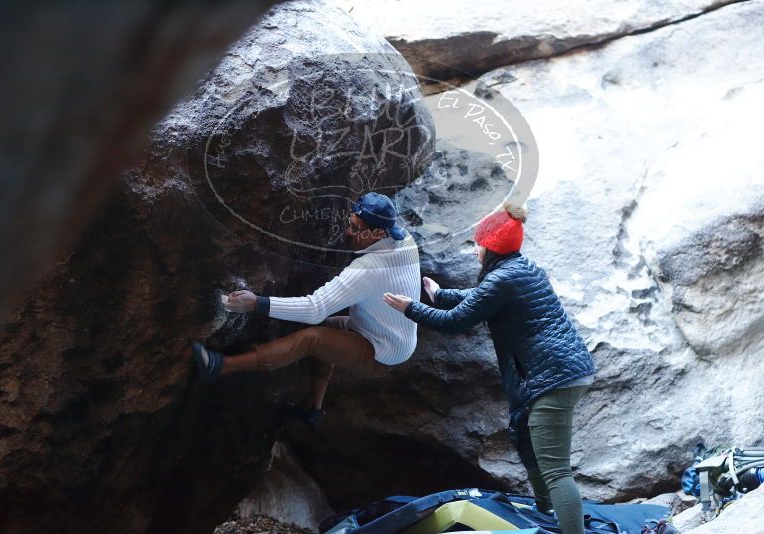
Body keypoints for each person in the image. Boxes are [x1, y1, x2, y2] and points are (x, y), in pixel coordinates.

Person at [383, 203, 595, 534]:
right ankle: (547, 518)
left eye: (477, 243)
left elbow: (455, 322)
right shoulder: (520, 269)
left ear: (490, 245)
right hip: (559, 373)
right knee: (530, 447)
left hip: (554, 378)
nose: (474, 250)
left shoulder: (504, 279)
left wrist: (411, 308)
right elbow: (478, 296)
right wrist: (440, 294)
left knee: (555, 471)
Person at [192, 192, 421, 425]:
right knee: (325, 332)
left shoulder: (368, 269)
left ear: (379, 233)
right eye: (349, 223)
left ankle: (219, 366)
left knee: (312, 338)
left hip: (384, 352)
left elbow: (315, 309)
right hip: (387, 330)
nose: (347, 232)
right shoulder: (405, 241)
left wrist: (256, 303)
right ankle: (313, 408)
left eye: (355, 228)